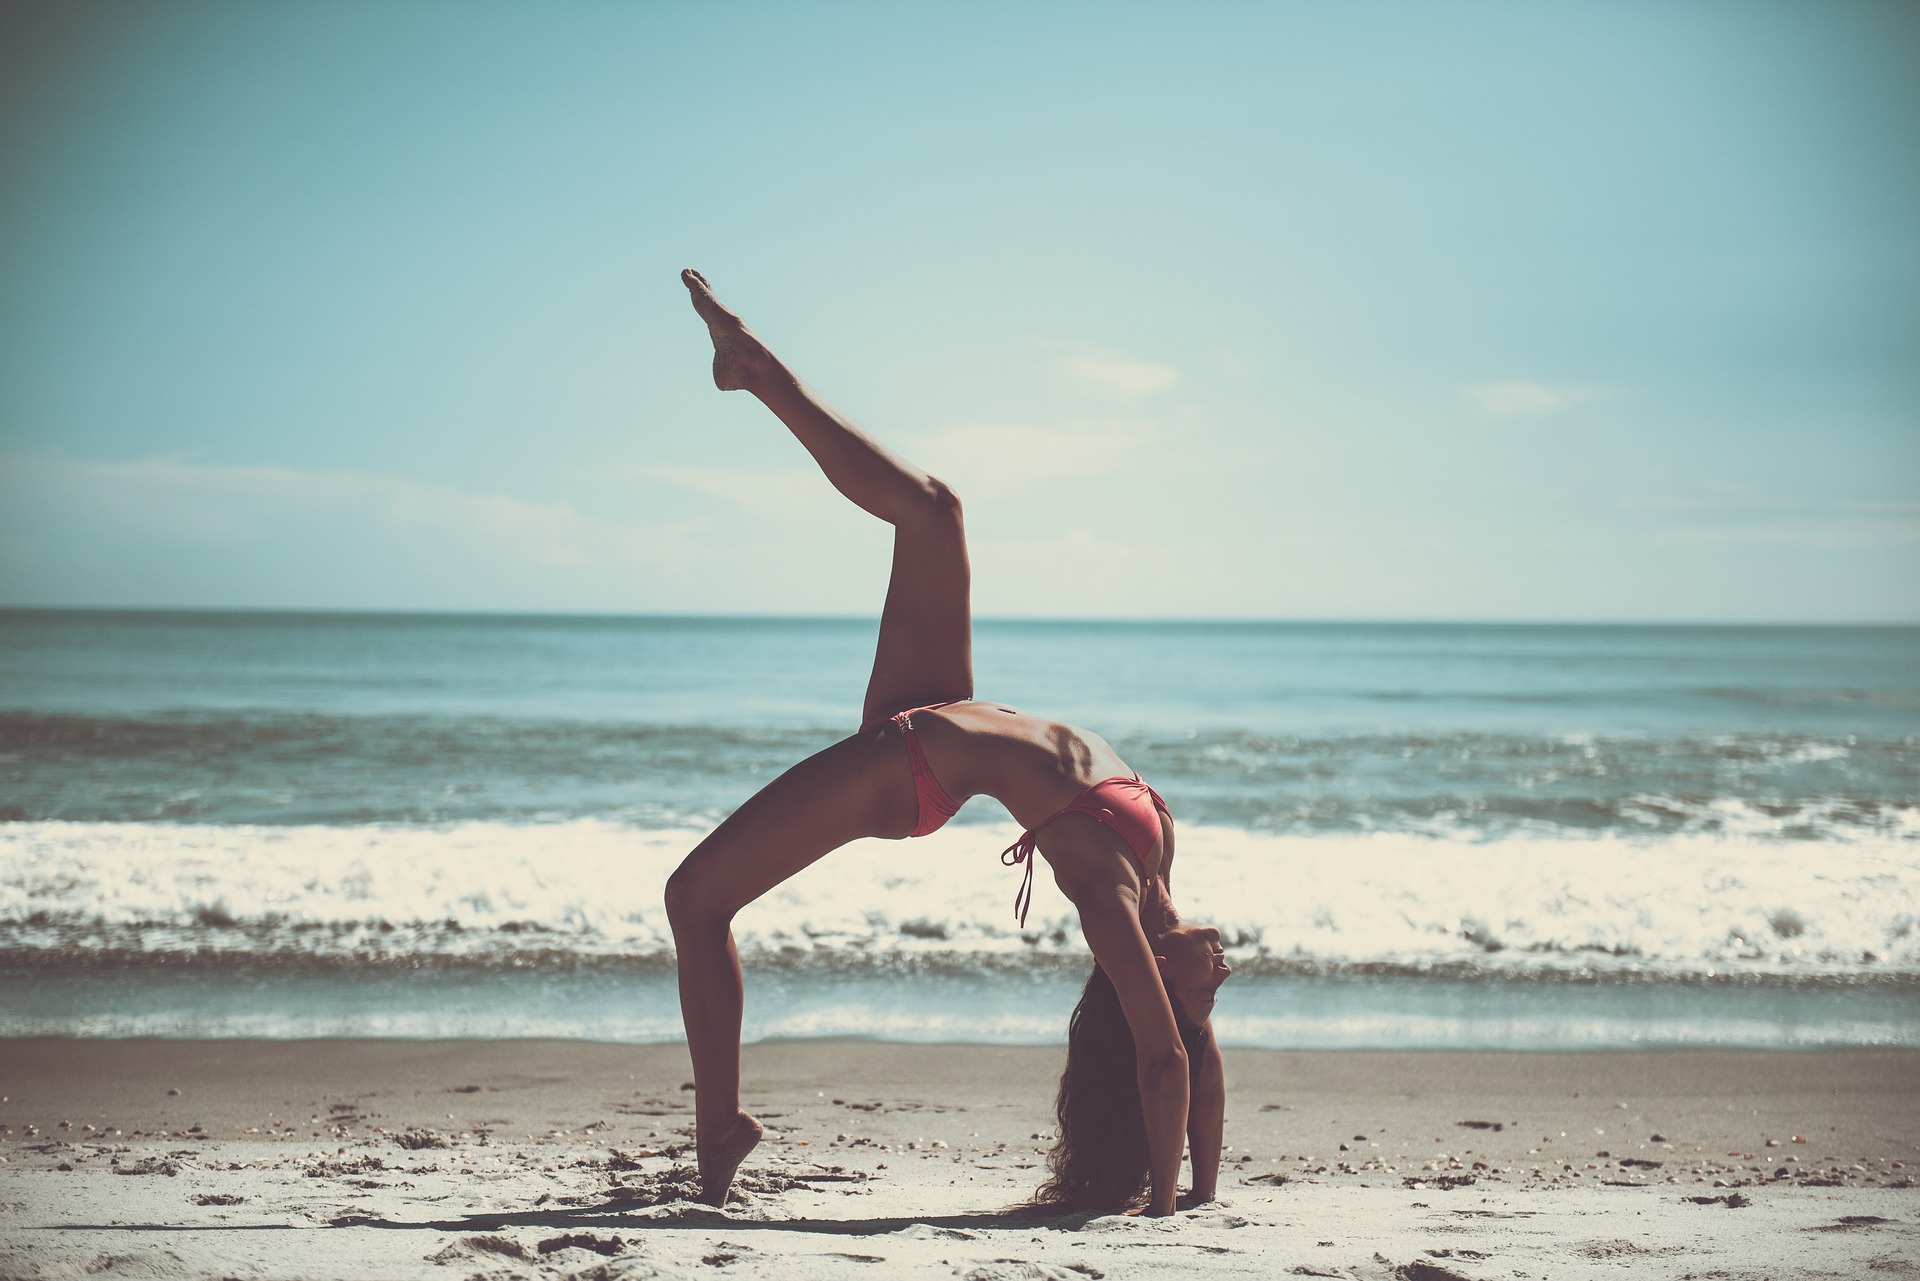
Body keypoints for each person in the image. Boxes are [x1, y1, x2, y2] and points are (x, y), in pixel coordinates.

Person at [664, 270, 1232, 1215]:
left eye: (1210, 992)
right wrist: (1208, 1188)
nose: (1227, 970)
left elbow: (1168, 1057)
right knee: (936, 509)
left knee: (693, 899)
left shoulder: (1110, 899)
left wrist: (1168, 1208)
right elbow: (1194, 1056)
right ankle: (755, 370)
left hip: (910, 769)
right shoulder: (1158, 847)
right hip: (940, 709)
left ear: (1158, 977)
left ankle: (719, 1124)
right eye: (1216, 987)